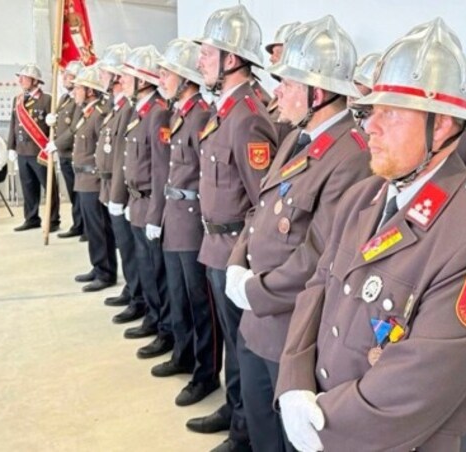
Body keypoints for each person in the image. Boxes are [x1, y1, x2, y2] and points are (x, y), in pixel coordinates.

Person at [275, 18, 466, 452]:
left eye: (389, 113)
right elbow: (318, 288)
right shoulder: (363, 197)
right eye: (371, 111)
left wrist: (326, 424)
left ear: (441, 126)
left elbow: (424, 377)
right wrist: (295, 383)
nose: (370, 126)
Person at [225, 16, 371, 452]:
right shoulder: (295, 138)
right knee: (259, 429)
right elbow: (259, 211)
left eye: (288, 82)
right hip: (257, 320)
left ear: (319, 92)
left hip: (290, 330)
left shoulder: (352, 157)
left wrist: (256, 292)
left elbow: (319, 255)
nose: (277, 92)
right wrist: (237, 265)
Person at [185, 5, 278, 452]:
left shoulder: (248, 117)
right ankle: (233, 407)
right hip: (213, 242)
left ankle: (243, 430)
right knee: (232, 339)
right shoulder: (225, 111)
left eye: (208, 52)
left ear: (233, 59)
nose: (201, 60)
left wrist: (246, 260)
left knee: (244, 345)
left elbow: (264, 201)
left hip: (235, 249)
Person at [148, 38, 223, 408]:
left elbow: (208, 177)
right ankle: (183, 354)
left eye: (168, 73)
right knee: (179, 297)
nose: (162, 78)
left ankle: (205, 373)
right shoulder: (181, 113)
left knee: (200, 304)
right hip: (175, 219)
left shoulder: (200, 116)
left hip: (193, 222)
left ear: (186, 77)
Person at [118, 46, 176, 355]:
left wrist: (156, 215)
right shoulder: (139, 113)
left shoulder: (158, 114)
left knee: (158, 274)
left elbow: (161, 168)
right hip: (138, 202)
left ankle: (165, 329)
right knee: (145, 268)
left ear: (143, 81)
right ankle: (153, 319)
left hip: (152, 203)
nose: (123, 81)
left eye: (129, 76)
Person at [93, 43, 139, 310]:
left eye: (106, 73)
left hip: (119, 187)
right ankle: (130, 288)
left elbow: (123, 156)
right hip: (109, 184)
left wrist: (118, 195)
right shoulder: (117, 107)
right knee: (123, 246)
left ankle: (136, 295)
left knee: (130, 249)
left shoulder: (128, 109)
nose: (102, 78)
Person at [63, 64, 115, 292]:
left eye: (79, 88)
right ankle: (98, 265)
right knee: (92, 230)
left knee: (100, 229)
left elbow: (103, 150)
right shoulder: (86, 114)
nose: (75, 91)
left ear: (91, 91)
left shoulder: (99, 115)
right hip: (82, 180)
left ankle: (106, 272)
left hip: (93, 180)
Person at [7, 64, 60, 232]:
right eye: (20, 77)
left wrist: (54, 123)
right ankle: (31, 218)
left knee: (49, 187)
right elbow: (13, 124)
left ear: (35, 80)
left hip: (40, 151)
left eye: (24, 77)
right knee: (28, 186)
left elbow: (54, 127)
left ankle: (53, 220)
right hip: (22, 151)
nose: (20, 80)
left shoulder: (48, 100)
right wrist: (11, 147)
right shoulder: (18, 99)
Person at [46, 60, 85, 239]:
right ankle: (78, 224)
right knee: (72, 192)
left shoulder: (79, 100)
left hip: (73, 152)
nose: (65, 78)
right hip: (64, 153)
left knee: (80, 193)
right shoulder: (63, 98)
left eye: (69, 76)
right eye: (64, 75)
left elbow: (75, 127)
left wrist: (57, 144)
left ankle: (84, 226)